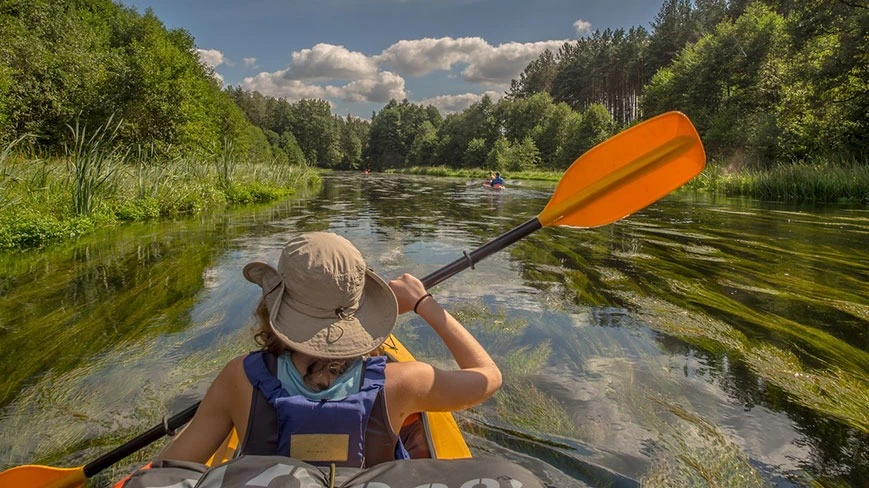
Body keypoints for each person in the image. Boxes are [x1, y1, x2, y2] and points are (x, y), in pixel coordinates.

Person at [157, 232, 501, 468]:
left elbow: (168, 469)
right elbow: (489, 377)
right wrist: (424, 303)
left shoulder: (240, 378)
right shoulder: (407, 382)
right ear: (359, 309)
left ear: (275, 305)